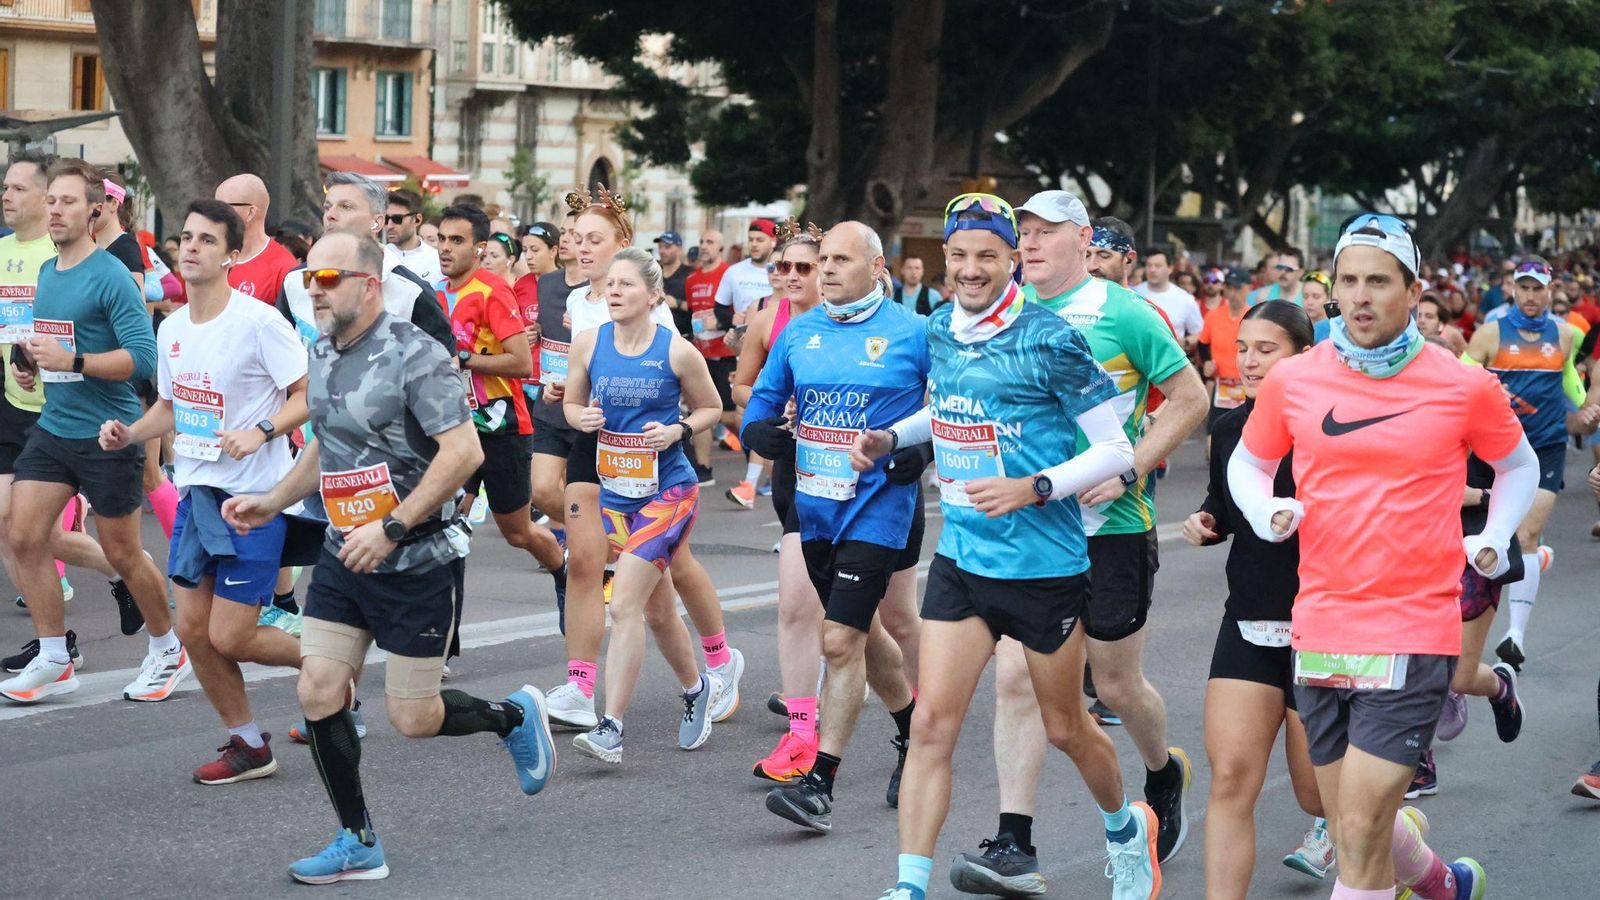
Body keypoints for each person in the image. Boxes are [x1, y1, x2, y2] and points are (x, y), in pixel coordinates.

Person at [221, 230, 555, 884]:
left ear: (368, 285)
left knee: (413, 717)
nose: (313, 290)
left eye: (328, 278)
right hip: (348, 551)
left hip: (417, 556)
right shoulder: (320, 351)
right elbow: (328, 441)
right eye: (309, 278)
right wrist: (273, 499)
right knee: (317, 685)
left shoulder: (417, 356)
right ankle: (357, 838)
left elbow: (464, 454)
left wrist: (394, 526)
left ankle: (512, 716)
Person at [1228, 212, 1539, 900]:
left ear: (1412, 288)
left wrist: (1491, 536)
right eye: (1348, 280)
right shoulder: (1295, 380)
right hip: (1320, 624)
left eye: (1378, 280)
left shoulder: (1462, 384)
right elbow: (1249, 463)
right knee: (1349, 829)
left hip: (1413, 626)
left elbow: (1519, 467)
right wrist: (1264, 510)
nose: (1360, 295)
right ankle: (1440, 884)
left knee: (1365, 821)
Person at [861, 194, 1157, 900]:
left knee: (1065, 729)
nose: (969, 269)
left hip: (1044, 568)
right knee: (932, 721)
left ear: (1011, 260)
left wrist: (1036, 486)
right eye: (958, 255)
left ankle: (1123, 832)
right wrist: (894, 437)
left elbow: (1115, 448)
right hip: (963, 559)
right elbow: (954, 405)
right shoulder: (939, 328)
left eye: (986, 255)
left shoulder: (1050, 338)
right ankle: (909, 886)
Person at [957, 190, 1207, 885]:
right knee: (1015, 681)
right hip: (1032, 529)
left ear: (1083, 239)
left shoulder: (1123, 312)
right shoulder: (1003, 313)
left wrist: (1131, 467)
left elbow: (1191, 399)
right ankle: (1014, 842)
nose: (1030, 244)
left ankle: (1162, 772)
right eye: (1023, 233)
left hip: (1109, 528)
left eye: (1045, 232)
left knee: (1119, 685)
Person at [100, 199, 310, 782]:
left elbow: (308, 393)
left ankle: (327, 661)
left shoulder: (259, 322)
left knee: (232, 634)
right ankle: (249, 745)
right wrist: (127, 434)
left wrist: (262, 430)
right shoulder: (170, 329)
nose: (190, 247)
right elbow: (170, 407)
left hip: (253, 501)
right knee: (194, 630)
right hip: (198, 499)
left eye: (207, 240)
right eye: (186, 238)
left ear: (232, 255)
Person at [541, 187, 745, 737]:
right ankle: (583, 689)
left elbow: (690, 390)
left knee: (666, 582)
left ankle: (718, 660)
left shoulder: (657, 318)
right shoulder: (577, 302)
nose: (581, 249)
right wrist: (568, 395)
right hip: (595, 444)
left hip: (654, 459)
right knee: (587, 565)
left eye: (594, 240)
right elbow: (578, 375)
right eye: (576, 238)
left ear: (622, 245)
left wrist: (674, 427)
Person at [745, 221, 921, 834]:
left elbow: (947, 410)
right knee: (864, 634)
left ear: (878, 267)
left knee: (839, 639)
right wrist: (756, 432)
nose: (826, 270)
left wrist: (918, 453)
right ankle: (913, 729)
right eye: (823, 259)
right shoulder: (802, 332)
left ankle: (819, 782)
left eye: (841, 259)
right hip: (816, 506)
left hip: (879, 508)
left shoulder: (914, 333)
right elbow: (765, 401)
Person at [0, 159, 190, 704]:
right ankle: (54, 655)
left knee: (124, 553)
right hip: (54, 426)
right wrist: (29, 362)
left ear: (96, 211)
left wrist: (75, 360)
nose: (57, 210)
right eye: (52, 201)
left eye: (68, 202)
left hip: (108, 432)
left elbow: (144, 359)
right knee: (24, 534)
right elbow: (48, 338)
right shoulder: (47, 272)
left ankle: (166, 648)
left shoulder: (109, 275)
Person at [1183, 300, 1332, 896]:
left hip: (1324, 627)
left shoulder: (1332, 426)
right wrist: (1204, 521)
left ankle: (1405, 848)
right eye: (1243, 348)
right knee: (1230, 781)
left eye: (1265, 349)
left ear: (1304, 355)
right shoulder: (1227, 428)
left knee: (1317, 794)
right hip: (1249, 620)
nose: (1247, 361)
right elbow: (1225, 505)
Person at [560, 246, 725, 762]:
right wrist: (578, 418)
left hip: (669, 492)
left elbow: (712, 408)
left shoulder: (677, 351)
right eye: (610, 284)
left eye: (626, 285)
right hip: (614, 493)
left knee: (625, 603)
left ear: (653, 296)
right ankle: (698, 689)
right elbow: (569, 403)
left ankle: (611, 727)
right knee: (656, 612)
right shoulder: (588, 343)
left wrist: (678, 428)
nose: (613, 291)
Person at [0, 151, 119, 645]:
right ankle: (53, 643)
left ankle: (126, 569)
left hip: (62, 410)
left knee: (35, 532)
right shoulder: (2, 251)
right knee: (9, 527)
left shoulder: (61, 255)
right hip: (11, 402)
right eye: (5, 188)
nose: (7, 196)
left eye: (19, 189)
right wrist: (19, 363)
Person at [434, 205, 568, 604]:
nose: (445, 248)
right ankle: (438, 645)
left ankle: (565, 572)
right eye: (441, 238)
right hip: (452, 427)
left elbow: (521, 362)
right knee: (444, 527)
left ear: (479, 248)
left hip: (501, 426)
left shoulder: (491, 290)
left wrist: (464, 360)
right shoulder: (435, 292)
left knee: (517, 532)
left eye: (456, 241)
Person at [1463, 257, 1577, 672]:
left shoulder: (1566, 335)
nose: (1531, 295)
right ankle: (1534, 560)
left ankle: (1515, 636)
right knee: (1507, 533)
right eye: (1524, 287)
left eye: (1538, 288)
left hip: (1546, 445)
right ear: (1513, 289)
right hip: (1498, 450)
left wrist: (1583, 409)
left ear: (1550, 291)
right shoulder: (1489, 335)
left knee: (1527, 531)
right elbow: (1463, 385)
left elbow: (1569, 380)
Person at [279, 172, 454, 354]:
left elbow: (444, 363)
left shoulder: (411, 292)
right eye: (327, 207)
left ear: (377, 222)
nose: (330, 215)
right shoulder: (295, 280)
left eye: (345, 207)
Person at [526, 209, 588, 560]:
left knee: (582, 491)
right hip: (549, 400)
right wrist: (534, 334)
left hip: (583, 404)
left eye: (574, 234)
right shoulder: (547, 282)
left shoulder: (597, 292)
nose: (565, 239)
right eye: (563, 233)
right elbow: (546, 333)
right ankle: (588, 532)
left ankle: (588, 540)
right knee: (542, 489)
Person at [717, 220, 780, 505]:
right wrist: (735, 343)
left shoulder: (809, 305)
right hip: (761, 377)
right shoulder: (760, 305)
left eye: (787, 266)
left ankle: (757, 485)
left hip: (790, 382)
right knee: (755, 422)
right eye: (773, 268)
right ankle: (752, 486)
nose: (777, 273)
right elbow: (750, 346)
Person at [684, 228, 730, 482]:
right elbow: (693, 310)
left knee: (731, 414)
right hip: (700, 353)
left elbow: (738, 312)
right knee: (697, 409)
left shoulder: (727, 274)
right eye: (701, 241)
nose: (704, 246)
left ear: (721, 249)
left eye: (710, 242)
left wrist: (720, 323)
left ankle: (756, 453)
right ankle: (704, 468)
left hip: (724, 352)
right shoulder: (692, 279)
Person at [215, 173, 299, 304]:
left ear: (250, 213)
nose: (213, 215)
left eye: (223, 207)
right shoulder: (213, 258)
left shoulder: (283, 267)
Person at [1198, 268, 1252, 433]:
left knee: (1242, 438)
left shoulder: (1254, 316)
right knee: (1214, 439)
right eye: (1229, 288)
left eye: (1237, 288)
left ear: (1248, 288)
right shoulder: (1213, 316)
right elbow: (1203, 344)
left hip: (1246, 387)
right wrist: (1207, 363)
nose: (1233, 293)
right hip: (1221, 389)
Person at [1135, 247, 1203, 352]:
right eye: (1149, 265)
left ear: (1170, 268)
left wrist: (1186, 342)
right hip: (1136, 358)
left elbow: (1199, 332)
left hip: (1170, 361)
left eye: (1158, 266)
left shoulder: (1185, 299)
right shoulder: (1133, 293)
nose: (1152, 269)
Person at [384, 188, 441, 285]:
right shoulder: (377, 258)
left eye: (397, 219)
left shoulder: (437, 261)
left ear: (417, 220)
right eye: (386, 219)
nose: (389, 225)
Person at [654, 231, 692, 338]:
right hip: (656, 337)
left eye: (667, 247)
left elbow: (699, 308)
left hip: (683, 336)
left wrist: (677, 303)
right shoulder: (653, 273)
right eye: (660, 247)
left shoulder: (690, 274)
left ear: (680, 249)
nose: (662, 251)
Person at [1087, 217, 1139, 287]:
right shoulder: (1069, 297)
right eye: (1086, 256)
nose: (1091, 266)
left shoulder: (1136, 298)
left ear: (1129, 259)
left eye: (1104, 256)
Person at [1301, 270, 1335, 344]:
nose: (1310, 302)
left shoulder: (1335, 330)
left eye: (1316, 297)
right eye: (1305, 296)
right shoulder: (1297, 327)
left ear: (1329, 298)